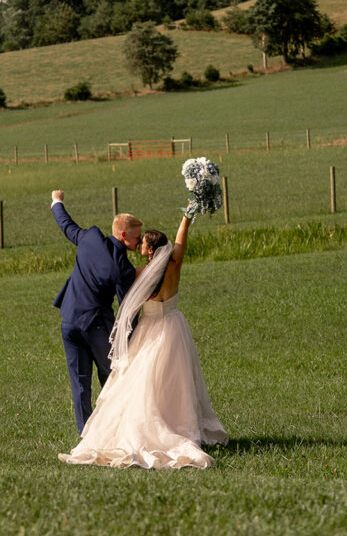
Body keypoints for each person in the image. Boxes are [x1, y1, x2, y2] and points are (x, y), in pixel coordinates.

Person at [58, 213, 228, 469]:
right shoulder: (173, 265)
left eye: (142, 244)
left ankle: (139, 425)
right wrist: (186, 217)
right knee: (175, 382)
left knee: (140, 381)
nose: (139, 246)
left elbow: (126, 300)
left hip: (147, 331)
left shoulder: (140, 274)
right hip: (172, 328)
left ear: (149, 250)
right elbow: (181, 242)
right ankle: (177, 424)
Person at [51, 189, 142, 433]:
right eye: (137, 238)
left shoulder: (90, 237)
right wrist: (134, 337)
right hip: (96, 327)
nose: (140, 241)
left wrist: (56, 202)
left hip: (69, 321)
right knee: (112, 375)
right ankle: (114, 428)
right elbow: (128, 307)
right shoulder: (122, 266)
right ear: (124, 235)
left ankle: (86, 434)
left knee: (80, 383)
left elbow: (67, 227)